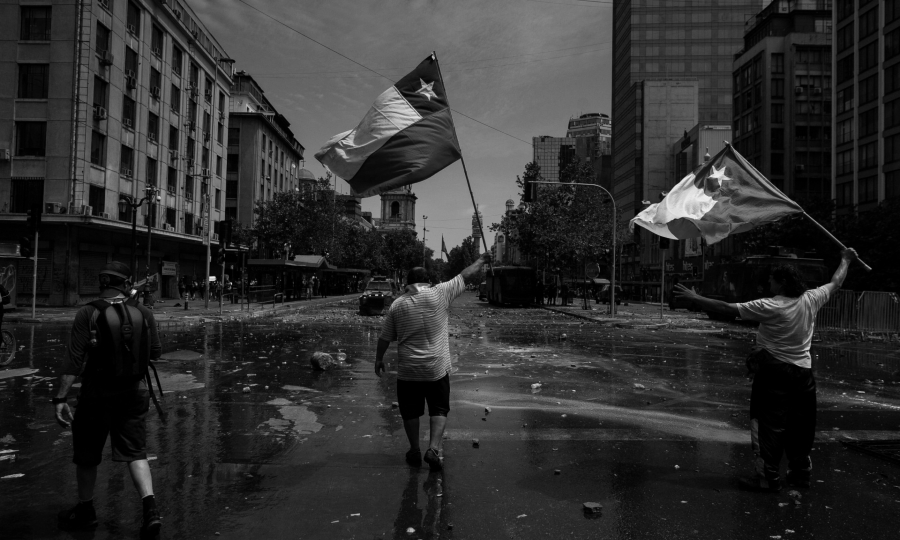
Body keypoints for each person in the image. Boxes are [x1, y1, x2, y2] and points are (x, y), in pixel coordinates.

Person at [675, 248, 859, 493]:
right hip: (803, 374)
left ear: (781, 283)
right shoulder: (811, 299)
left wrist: (695, 297)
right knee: (801, 427)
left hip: (775, 374)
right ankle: (800, 475)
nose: (768, 283)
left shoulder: (770, 306)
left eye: (772, 280)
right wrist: (845, 259)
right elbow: (836, 283)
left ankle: (768, 478)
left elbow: (726, 307)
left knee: (768, 425)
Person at [52, 262, 164, 535]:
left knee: (87, 455)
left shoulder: (88, 313)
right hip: (134, 393)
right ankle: (150, 510)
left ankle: (86, 511)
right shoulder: (144, 312)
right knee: (135, 452)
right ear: (126, 285)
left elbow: (73, 361)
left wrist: (60, 398)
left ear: (101, 284)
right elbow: (156, 353)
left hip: (95, 395)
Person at [375, 252, 493, 471]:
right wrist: (482, 260)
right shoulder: (440, 293)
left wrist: (378, 359)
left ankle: (414, 450)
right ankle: (433, 449)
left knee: (410, 411)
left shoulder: (397, 305)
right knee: (439, 409)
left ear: (408, 283)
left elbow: (385, 338)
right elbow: (465, 275)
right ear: (427, 281)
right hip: (436, 367)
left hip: (408, 370)